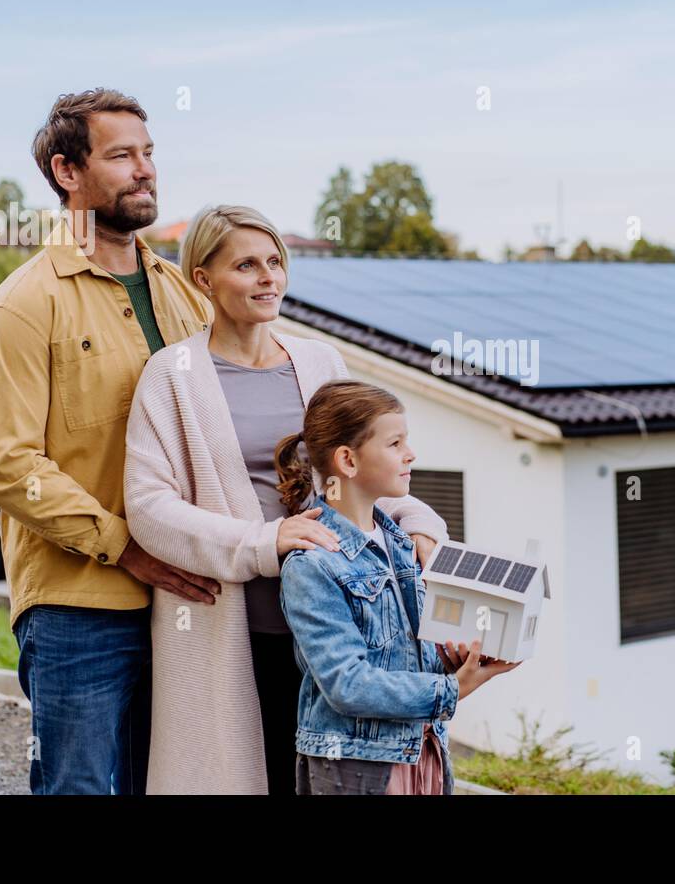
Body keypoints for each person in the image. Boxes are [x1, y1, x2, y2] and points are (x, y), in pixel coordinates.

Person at [123, 204, 450, 793]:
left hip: (334, 624)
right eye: (246, 265)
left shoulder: (320, 361)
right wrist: (263, 541)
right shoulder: (170, 374)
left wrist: (417, 519)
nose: (268, 277)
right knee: (248, 772)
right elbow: (149, 507)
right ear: (203, 279)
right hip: (233, 622)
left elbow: (356, 470)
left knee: (331, 775)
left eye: (275, 262)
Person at [0, 88, 216, 794]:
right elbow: (5, 463)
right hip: (79, 608)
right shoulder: (22, 305)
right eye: (121, 156)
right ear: (67, 171)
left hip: (184, 600)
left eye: (148, 153)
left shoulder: (184, 296)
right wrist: (124, 544)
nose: (145, 171)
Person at [277, 379, 520, 795]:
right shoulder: (311, 564)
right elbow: (347, 683)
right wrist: (452, 689)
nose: (411, 454)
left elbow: (405, 652)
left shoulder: (402, 544)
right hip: (357, 765)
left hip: (423, 751)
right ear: (348, 461)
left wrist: (454, 659)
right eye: (395, 443)